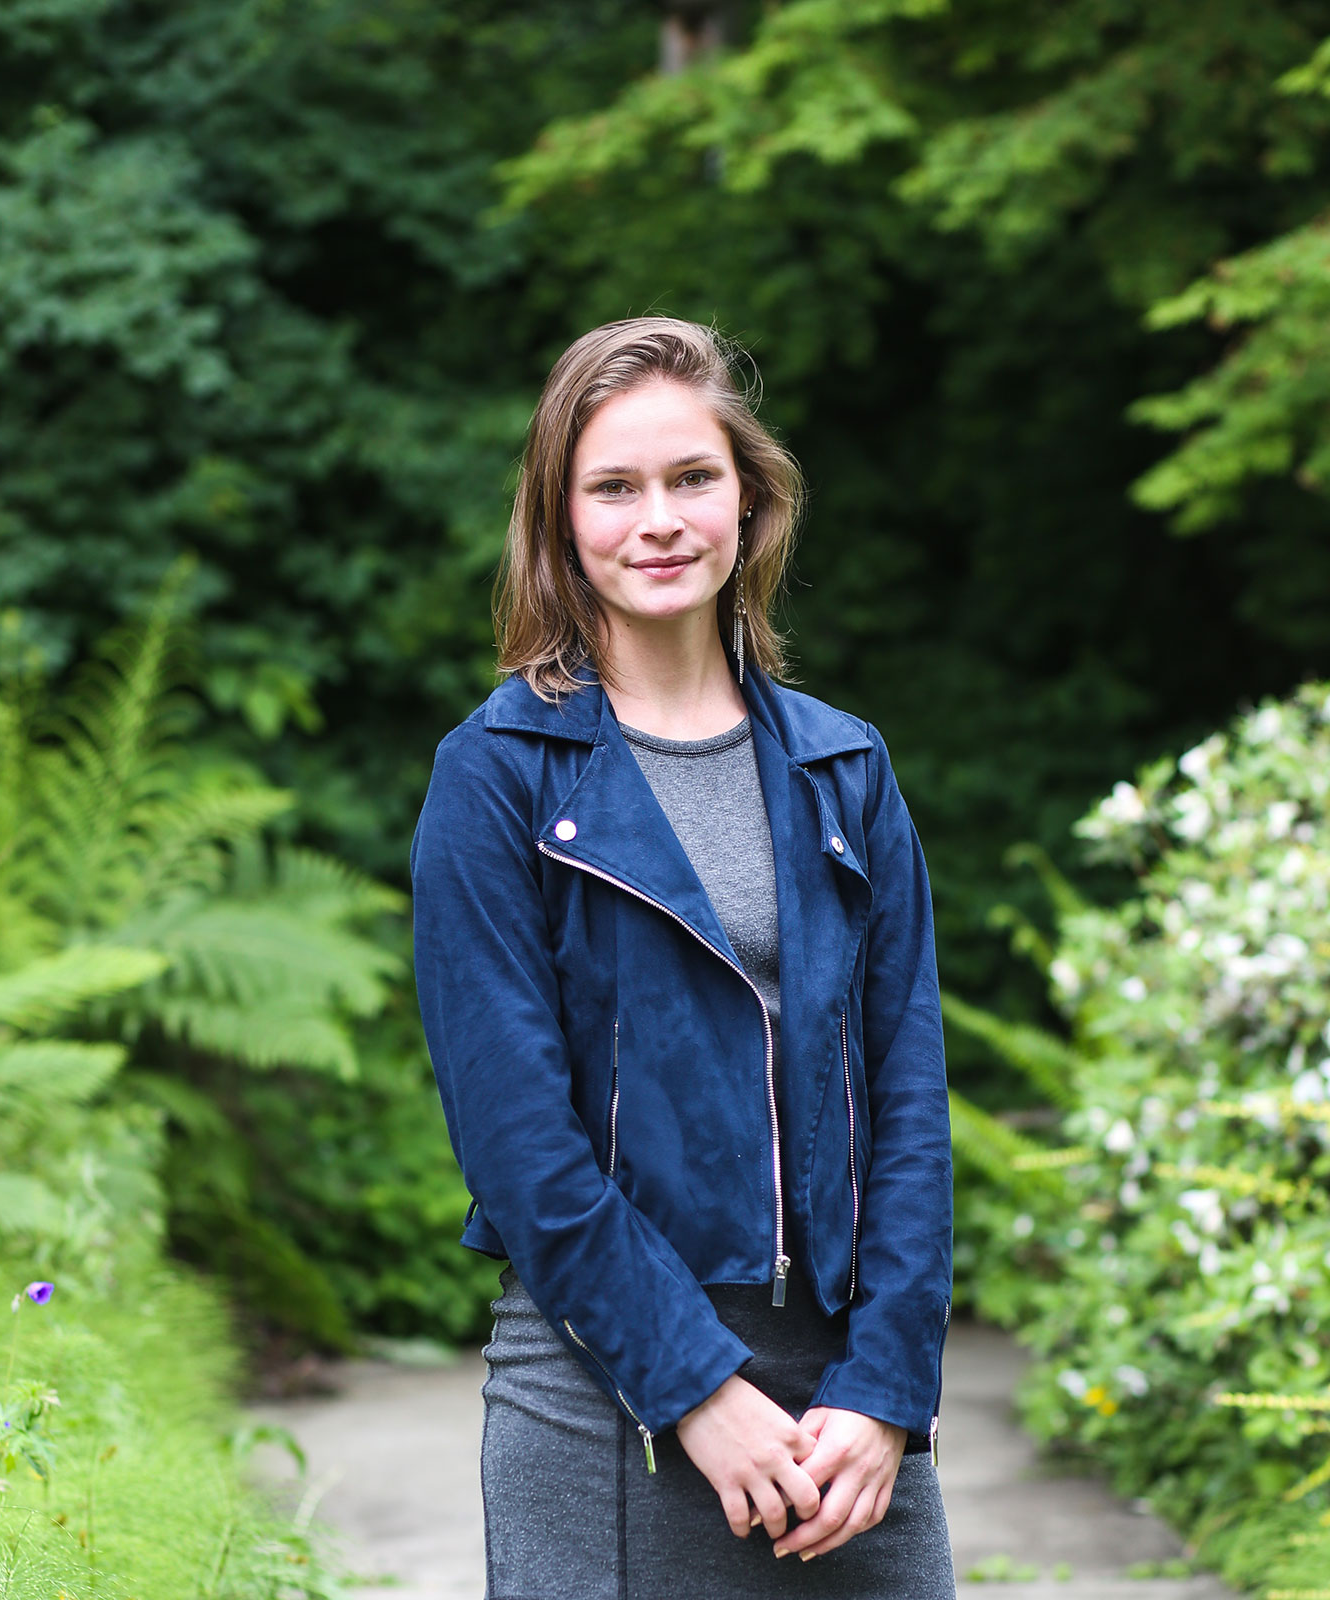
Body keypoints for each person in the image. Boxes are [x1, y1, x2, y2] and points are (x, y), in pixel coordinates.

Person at [410, 316, 956, 1598]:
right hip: (606, 1401)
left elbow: (908, 1107)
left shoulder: (844, 768)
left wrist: (885, 1390)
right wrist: (696, 1387)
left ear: (749, 501)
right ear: (559, 522)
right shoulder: (493, 779)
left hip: (844, 1428)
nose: (657, 518)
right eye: (613, 486)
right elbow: (519, 1148)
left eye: (691, 478)